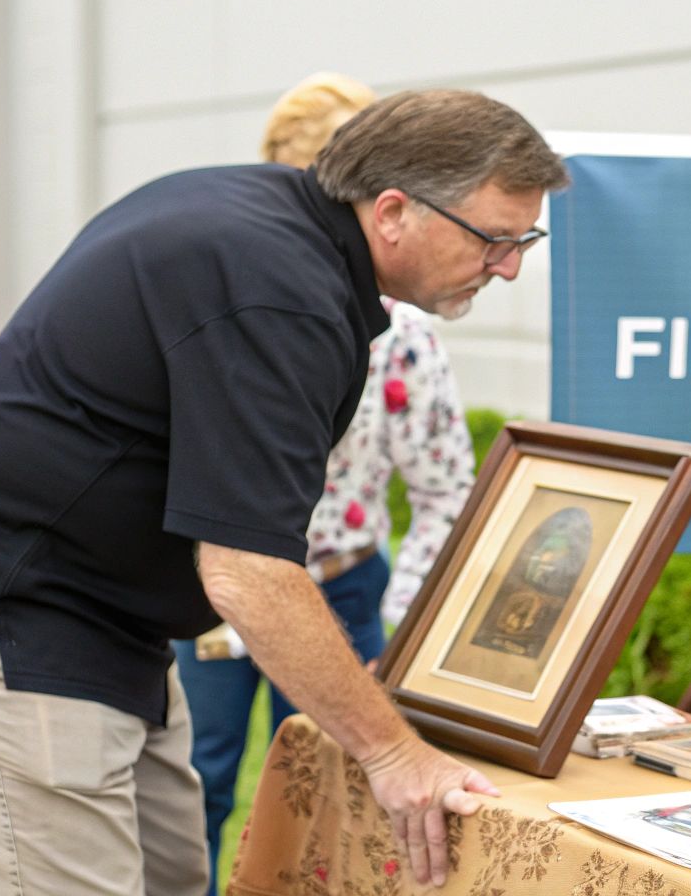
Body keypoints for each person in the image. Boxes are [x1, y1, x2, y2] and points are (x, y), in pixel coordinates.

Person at [0, 89, 568, 895]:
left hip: (114, 621)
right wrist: (394, 753)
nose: (509, 266)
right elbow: (248, 571)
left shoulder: (266, 220)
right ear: (393, 211)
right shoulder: (280, 289)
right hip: (13, 609)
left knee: (174, 879)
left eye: (524, 240)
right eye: (495, 239)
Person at [173, 72, 478, 894]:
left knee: (340, 804)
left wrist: (400, 618)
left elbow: (446, 489)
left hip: (343, 594)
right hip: (211, 590)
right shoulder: (231, 304)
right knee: (192, 786)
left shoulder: (405, 332)